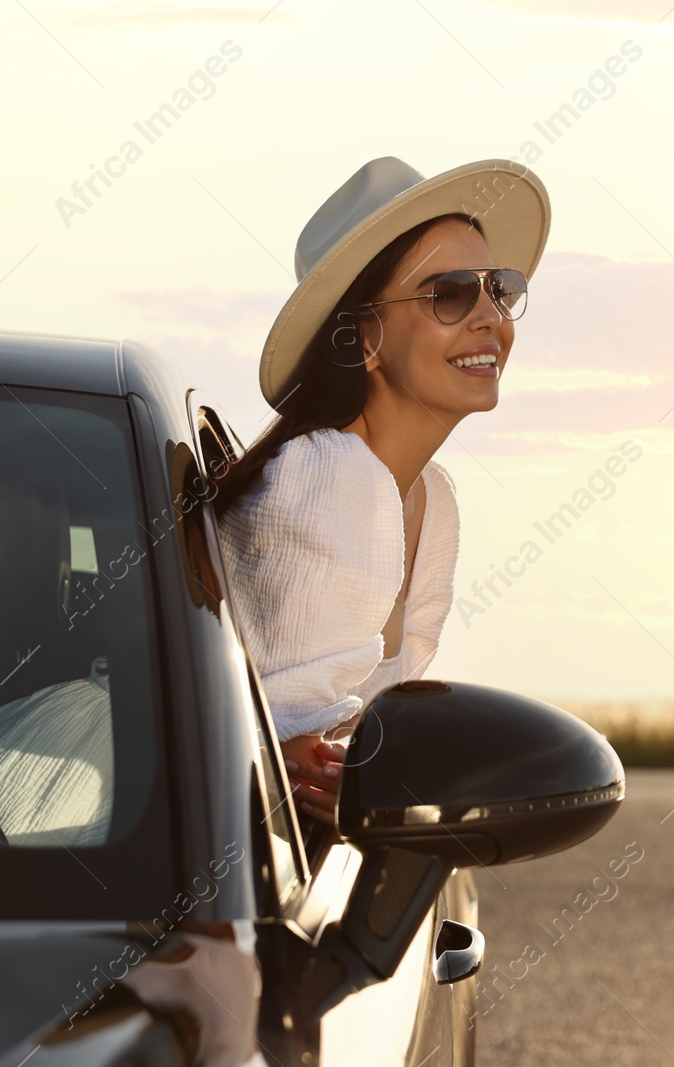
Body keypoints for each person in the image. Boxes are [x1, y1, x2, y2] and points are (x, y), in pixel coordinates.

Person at [211, 156, 551, 824]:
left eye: (498, 288)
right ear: (365, 336)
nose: (490, 317)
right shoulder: (327, 477)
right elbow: (291, 750)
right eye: (450, 294)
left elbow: (376, 738)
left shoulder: (430, 499)